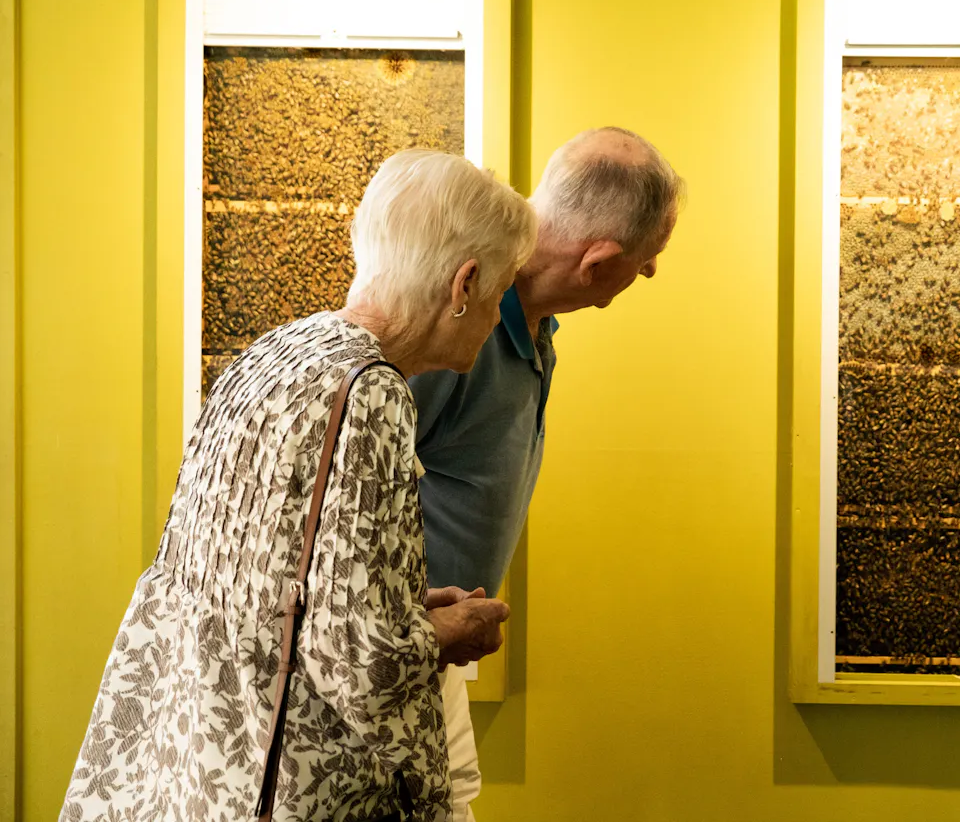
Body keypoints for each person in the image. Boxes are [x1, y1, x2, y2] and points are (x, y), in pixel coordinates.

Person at [61, 150, 537, 821]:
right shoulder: (372, 393)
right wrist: (440, 635)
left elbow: (266, 577)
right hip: (287, 782)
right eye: (497, 294)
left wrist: (404, 604)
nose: (495, 318)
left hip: (197, 752)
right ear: (464, 285)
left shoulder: (276, 351)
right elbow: (359, 663)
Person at [410, 126, 684, 820]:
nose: (650, 273)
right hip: (388, 654)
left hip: (430, 657)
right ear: (598, 260)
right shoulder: (456, 320)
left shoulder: (536, 326)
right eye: (648, 258)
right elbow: (347, 481)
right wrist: (405, 629)